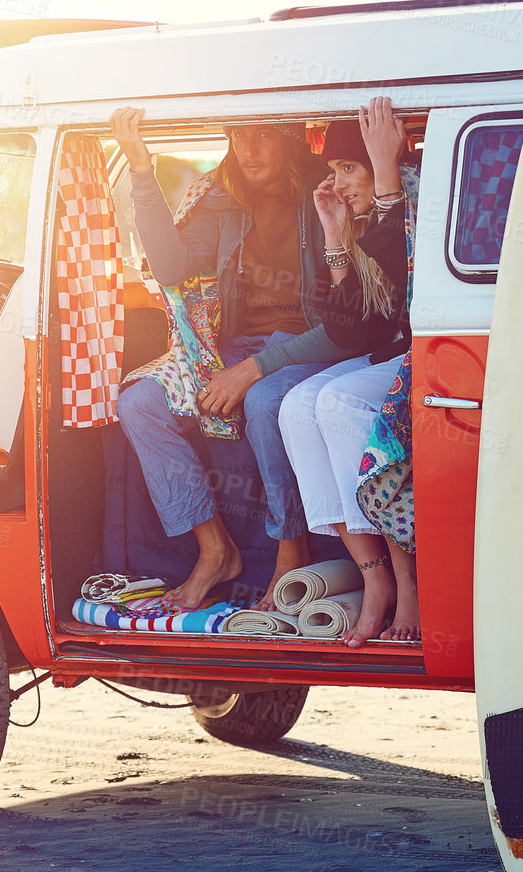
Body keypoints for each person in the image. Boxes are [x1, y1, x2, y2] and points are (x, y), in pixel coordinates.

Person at [111, 107, 365, 613]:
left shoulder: (331, 192)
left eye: (263, 134)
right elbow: (170, 265)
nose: (248, 149)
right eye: (239, 135)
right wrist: (142, 170)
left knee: (267, 400)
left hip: (316, 348)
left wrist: (252, 371)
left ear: (290, 137)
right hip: (228, 350)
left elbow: (348, 327)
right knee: (139, 403)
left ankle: (290, 552)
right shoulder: (220, 196)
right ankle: (215, 550)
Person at [279, 97, 418, 646]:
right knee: (294, 406)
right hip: (394, 351)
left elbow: (401, 273)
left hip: (440, 352)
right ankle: (373, 575)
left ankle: (407, 579)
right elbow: (352, 325)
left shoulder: (415, 197)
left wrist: (384, 172)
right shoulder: (368, 216)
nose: (336, 183)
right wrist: (336, 241)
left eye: (347, 167)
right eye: (332, 169)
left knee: (337, 403)